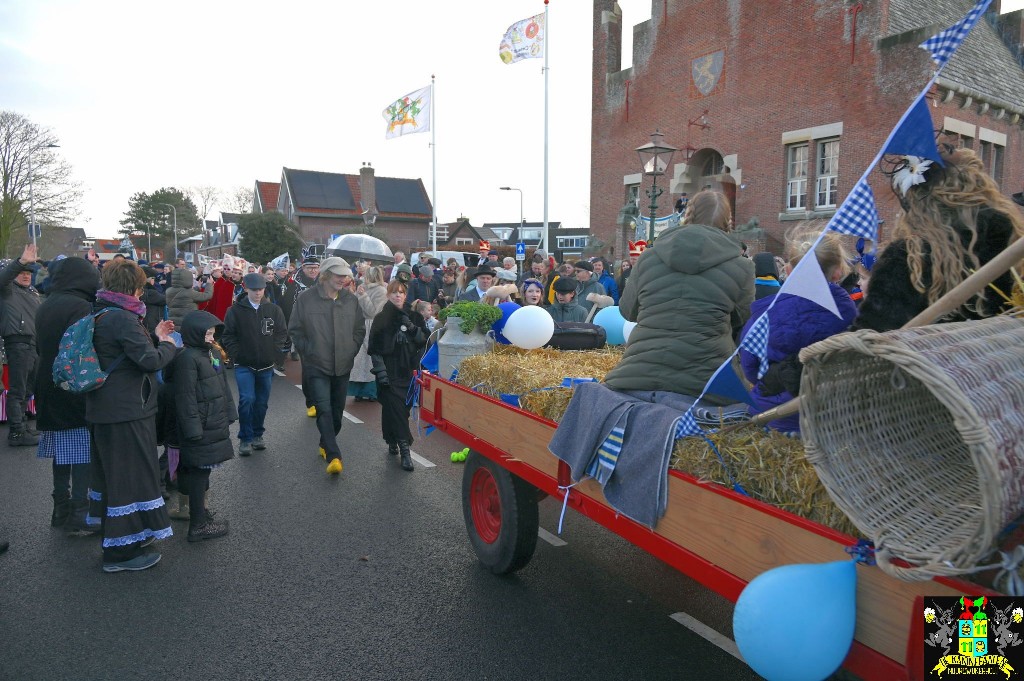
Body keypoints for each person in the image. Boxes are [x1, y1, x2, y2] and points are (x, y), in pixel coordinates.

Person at [854, 146, 1024, 331]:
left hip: (928, 358)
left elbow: (870, 334)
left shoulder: (908, 257)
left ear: (915, 201)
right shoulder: (1011, 234)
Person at [603, 190, 754, 400]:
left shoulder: (649, 257)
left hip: (638, 372)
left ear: (687, 215)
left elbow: (628, 311)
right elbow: (744, 321)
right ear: (728, 221)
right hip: (707, 381)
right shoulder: (742, 266)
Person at [86, 259, 178, 573]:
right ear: (133, 288)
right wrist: (167, 344)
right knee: (128, 478)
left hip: (107, 408)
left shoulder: (101, 312)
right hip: (125, 411)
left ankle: (129, 536)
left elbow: (129, 354)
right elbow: (150, 360)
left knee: (117, 477)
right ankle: (119, 553)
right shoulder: (122, 319)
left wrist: (152, 334)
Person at [739, 234, 857, 434]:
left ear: (788, 270)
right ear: (838, 272)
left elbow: (750, 365)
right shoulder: (853, 316)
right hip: (831, 419)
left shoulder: (764, 317)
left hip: (773, 417)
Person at [34, 256, 102, 534]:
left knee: (60, 454)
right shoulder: (80, 306)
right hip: (73, 386)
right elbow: (84, 348)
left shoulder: (46, 303)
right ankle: (80, 512)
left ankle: (60, 508)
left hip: (46, 383)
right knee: (82, 452)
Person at [288, 257, 365, 475]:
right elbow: (295, 329)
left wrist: (351, 349)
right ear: (326, 275)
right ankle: (334, 455)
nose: (344, 279)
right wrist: (309, 352)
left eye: (345, 275)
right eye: (339, 275)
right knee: (323, 408)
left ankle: (325, 443)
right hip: (317, 365)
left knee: (337, 412)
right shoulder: (306, 299)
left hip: (343, 364)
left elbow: (359, 329)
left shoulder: (350, 300)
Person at [167, 310, 235, 542]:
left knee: (201, 471)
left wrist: (230, 412)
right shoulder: (188, 359)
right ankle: (197, 524)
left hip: (211, 423)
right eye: (206, 332)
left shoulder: (208, 354)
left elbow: (223, 386)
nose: (211, 336)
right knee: (197, 472)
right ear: (194, 333)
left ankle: (201, 516)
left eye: (212, 332)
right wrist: (193, 430)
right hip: (201, 426)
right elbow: (185, 398)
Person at [221, 273, 289, 456]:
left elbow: (282, 333)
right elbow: (227, 335)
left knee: (261, 403)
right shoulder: (234, 311)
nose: (258, 293)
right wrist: (237, 354)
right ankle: (245, 438)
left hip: (266, 365)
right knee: (246, 399)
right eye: (254, 289)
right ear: (246, 289)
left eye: (261, 289)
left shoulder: (274, 310)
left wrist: (274, 352)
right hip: (244, 365)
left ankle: (258, 435)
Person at [368, 280, 428, 472]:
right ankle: (405, 450)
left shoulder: (415, 317)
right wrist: (381, 373)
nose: (398, 296)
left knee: (398, 410)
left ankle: (391, 439)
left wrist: (411, 327)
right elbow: (374, 350)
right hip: (390, 371)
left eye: (401, 292)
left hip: (409, 372)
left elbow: (424, 342)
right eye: (394, 292)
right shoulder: (381, 319)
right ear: (388, 295)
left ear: (405, 295)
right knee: (396, 408)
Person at [0, 245, 44, 446]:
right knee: (17, 391)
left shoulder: (33, 293)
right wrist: (20, 262)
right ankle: (17, 433)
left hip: (33, 344)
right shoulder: (7, 290)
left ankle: (23, 426)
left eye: (28, 273)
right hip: (18, 343)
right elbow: (4, 277)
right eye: (22, 273)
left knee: (27, 390)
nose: (26, 276)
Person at [349, 266, 389, 403]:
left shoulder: (382, 291)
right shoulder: (363, 287)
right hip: (360, 325)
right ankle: (358, 391)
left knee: (370, 360)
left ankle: (372, 392)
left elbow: (373, 312)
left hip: (373, 326)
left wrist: (363, 295)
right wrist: (355, 294)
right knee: (359, 361)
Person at [140, 266, 166, 335]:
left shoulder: (138, 291)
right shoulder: (151, 293)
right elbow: (165, 300)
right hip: (151, 326)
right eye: (153, 279)